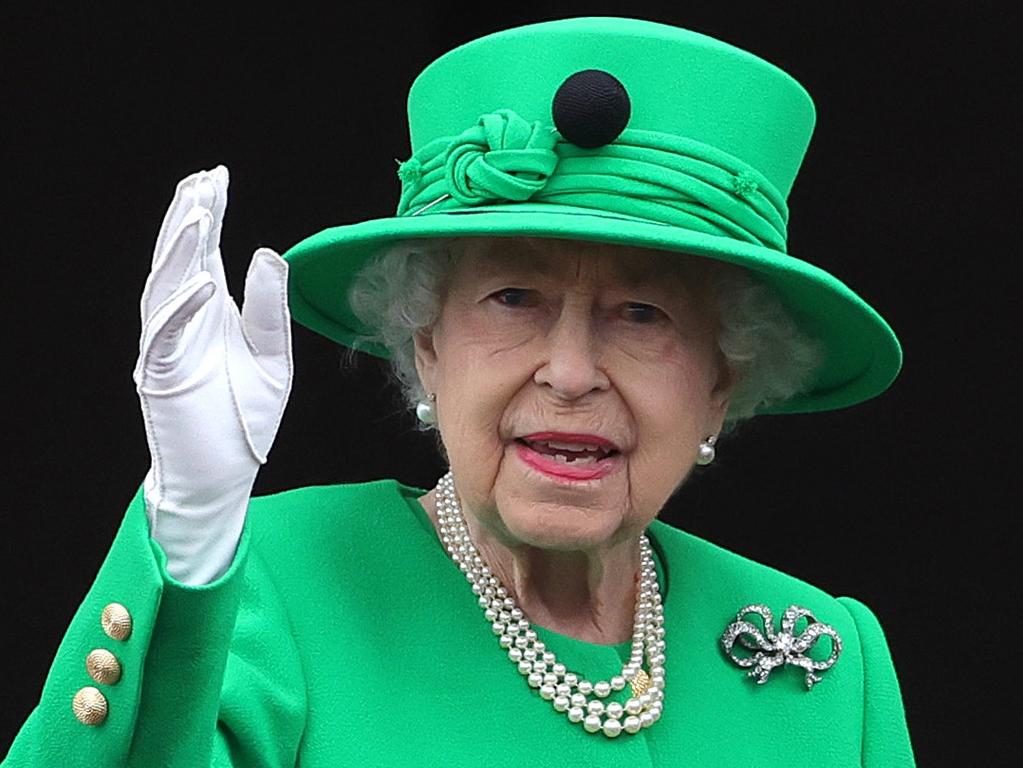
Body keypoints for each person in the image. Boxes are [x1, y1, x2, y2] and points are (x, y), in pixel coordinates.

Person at [2, 16, 915, 767]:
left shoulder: (823, 663)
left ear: (722, 383)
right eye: (513, 298)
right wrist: (192, 534)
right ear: (426, 348)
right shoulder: (272, 585)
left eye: (642, 314)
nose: (567, 371)